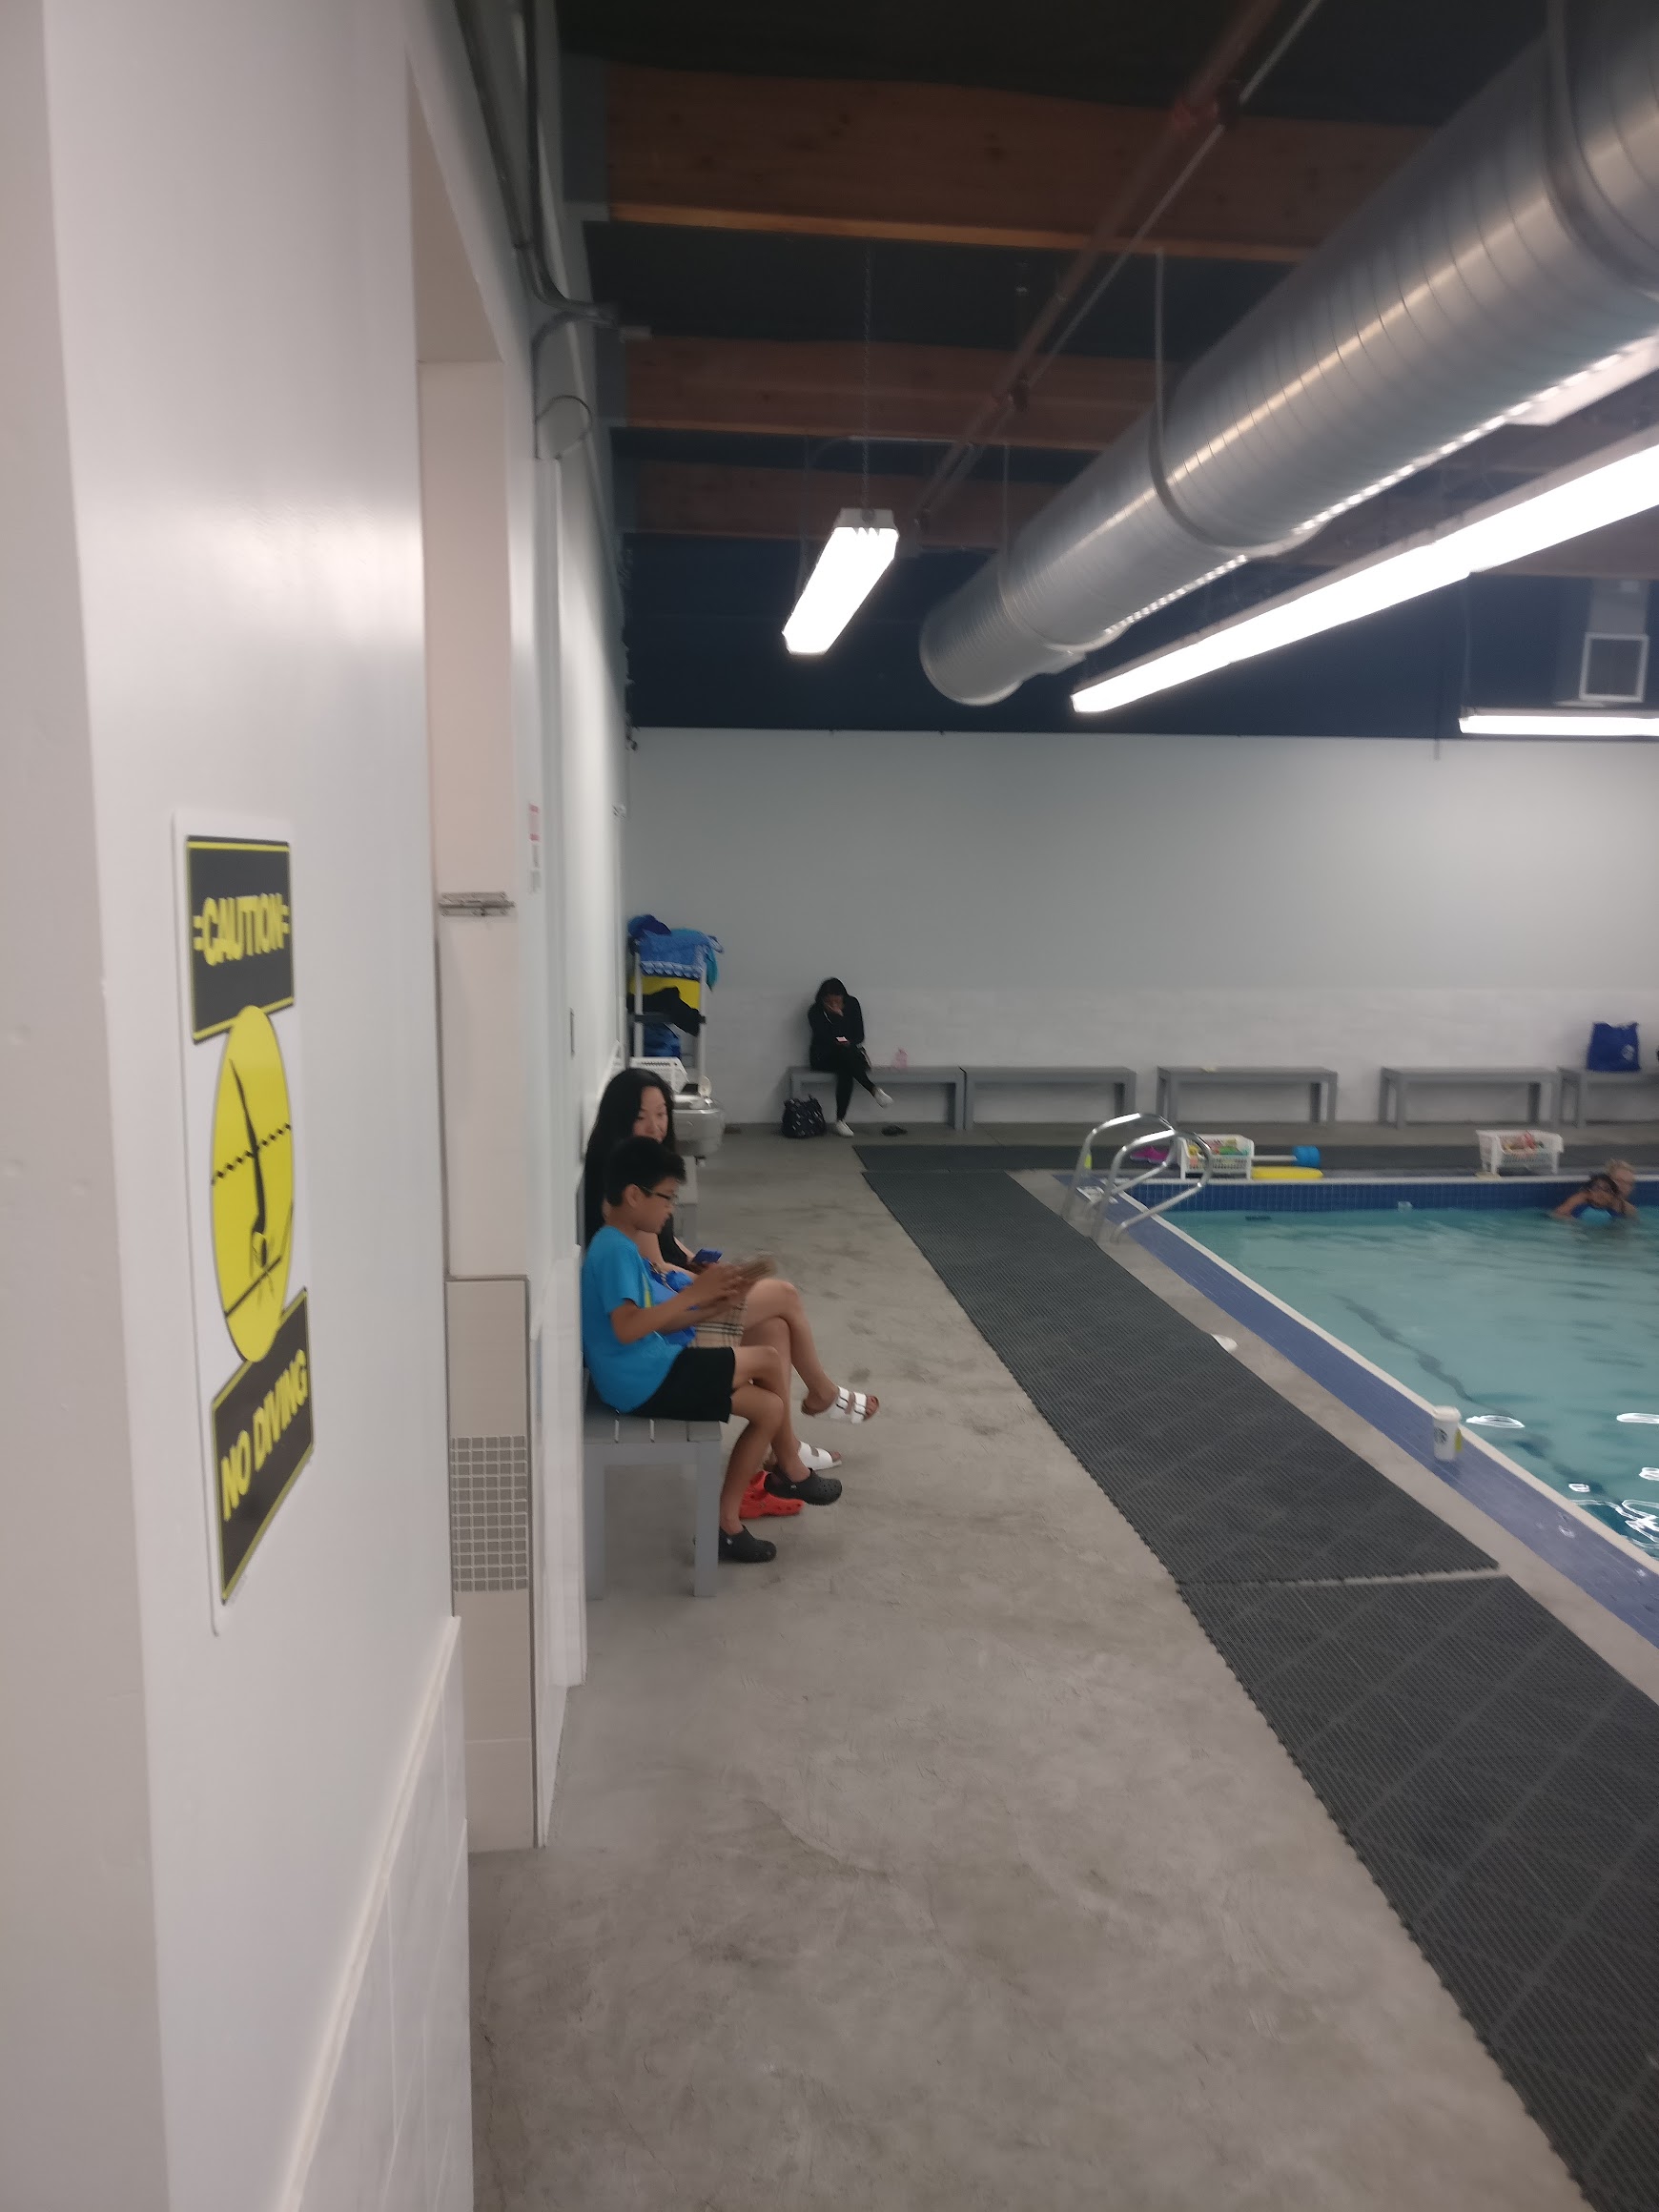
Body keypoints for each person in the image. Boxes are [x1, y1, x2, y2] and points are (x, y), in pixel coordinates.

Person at [584, 1069, 880, 1456]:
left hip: (668, 1305)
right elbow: (657, 1270)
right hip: (663, 1328)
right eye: (642, 1117)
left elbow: (667, 1246)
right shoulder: (630, 1188)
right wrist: (710, 1285)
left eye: (661, 1113)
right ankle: (819, 1396)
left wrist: (696, 1262)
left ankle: (785, 1451)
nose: (655, 1126)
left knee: (774, 1328)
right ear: (620, 1119)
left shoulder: (641, 1169)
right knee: (785, 1296)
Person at [582, 1137, 813, 1563]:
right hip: (644, 1381)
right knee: (767, 1359)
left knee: (769, 1408)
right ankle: (787, 1470)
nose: (670, 1209)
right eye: (666, 1197)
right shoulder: (614, 1250)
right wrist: (696, 1292)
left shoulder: (620, 1245)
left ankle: (726, 1525)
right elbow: (628, 1328)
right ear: (634, 1195)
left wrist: (711, 1306)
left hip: (649, 1371)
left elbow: (654, 1321)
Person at [809, 976, 891, 1137]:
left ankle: (841, 1120)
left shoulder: (852, 1005)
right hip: (823, 1056)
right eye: (829, 1002)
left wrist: (847, 1041)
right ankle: (873, 1090)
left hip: (847, 1054)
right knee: (846, 1059)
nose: (834, 1005)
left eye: (837, 1001)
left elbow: (859, 1036)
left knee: (845, 1065)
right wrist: (836, 1017)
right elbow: (824, 1039)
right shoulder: (814, 1011)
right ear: (822, 1000)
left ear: (843, 998)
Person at [1551, 1164, 1640, 1221]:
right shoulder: (1584, 1197)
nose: (1624, 1186)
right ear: (1607, 1180)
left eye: (1629, 1183)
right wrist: (1577, 1221)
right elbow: (1556, 1215)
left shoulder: (1627, 1209)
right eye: (1619, 1181)